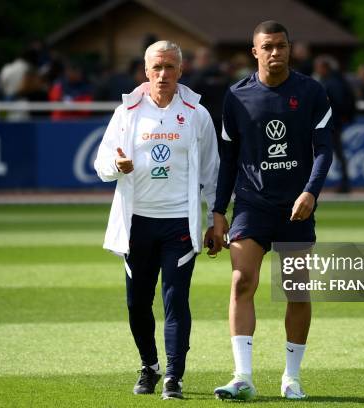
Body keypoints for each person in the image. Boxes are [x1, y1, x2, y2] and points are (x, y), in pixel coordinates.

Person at [211, 21, 333, 400]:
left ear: (289, 48)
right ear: (255, 52)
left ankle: (291, 377)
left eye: (281, 46)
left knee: (295, 290)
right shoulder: (236, 96)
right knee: (241, 281)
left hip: (296, 207)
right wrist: (218, 211)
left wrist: (310, 192)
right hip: (251, 204)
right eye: (267, 47)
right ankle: (242, 376)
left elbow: (324, 150)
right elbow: (228, 160)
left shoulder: (311, 92)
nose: (275, 52)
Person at [93, 40, 219, 400]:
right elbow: (102, 164)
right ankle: (149, 366)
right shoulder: (128, 112)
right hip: (137, 225)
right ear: (145, 72)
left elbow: (212, 172)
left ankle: (174, 377)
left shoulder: (197, 113)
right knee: (137, 303)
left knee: (176, 299)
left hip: (179, 222)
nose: (163, 74)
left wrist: (215, 219)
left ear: (181, 72)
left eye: (170, 68)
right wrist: (116, 165)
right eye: (157, 68)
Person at [313, 55, 356, 193]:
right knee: (334, 152)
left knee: (332, 152)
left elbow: (337, 102)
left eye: (319, 67)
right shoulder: (333, 80)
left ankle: (345, 183)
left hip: (332, 123)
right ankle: (344, 182)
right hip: (332, 122)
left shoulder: (332, 82)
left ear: (325, 68)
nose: (317, 70)